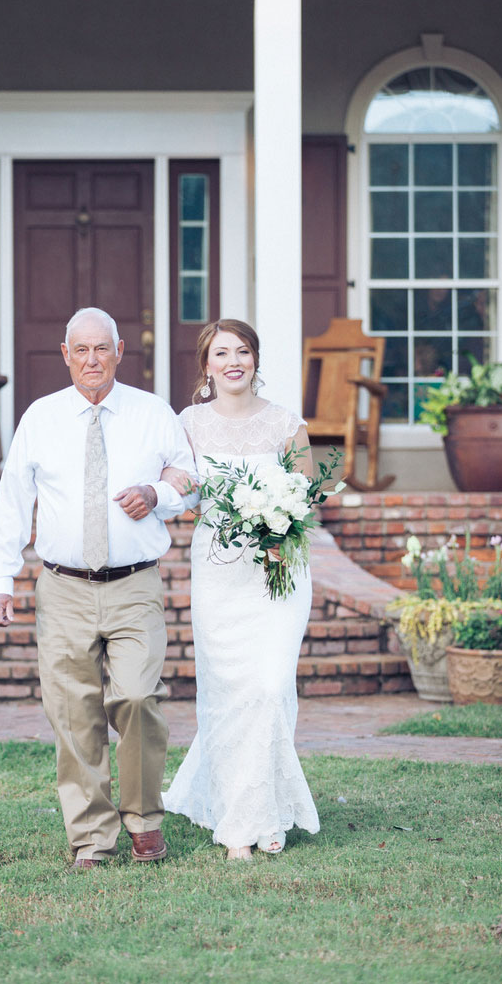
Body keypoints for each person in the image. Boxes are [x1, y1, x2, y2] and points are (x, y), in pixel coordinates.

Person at [0, 307, 198, 870]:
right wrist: (0, 579)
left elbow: (188, 479)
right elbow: (12, 502)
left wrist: (156, 494)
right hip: (63, 588)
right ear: (65, 354)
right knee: (74, 715)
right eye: (81, 350)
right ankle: (91, 840)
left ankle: (145, 820)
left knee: (136, 699)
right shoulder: (41, 417)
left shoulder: (152, 413)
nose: (92, 360)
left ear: (120, 351)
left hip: (134, 585)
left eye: (102, 349)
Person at [161, 319, 320, 861]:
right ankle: (246, 821)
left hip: (279, 570)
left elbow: (307, 496)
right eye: (222, 353)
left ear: (256, 359)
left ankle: (260, 811)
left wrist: (280, 524)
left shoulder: (285, 423)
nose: (234, 361)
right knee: (229, 694)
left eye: (243, 351)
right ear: (206, 365)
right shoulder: (186, 425)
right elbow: (180, 494)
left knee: (271, 685)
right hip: (219, 572)